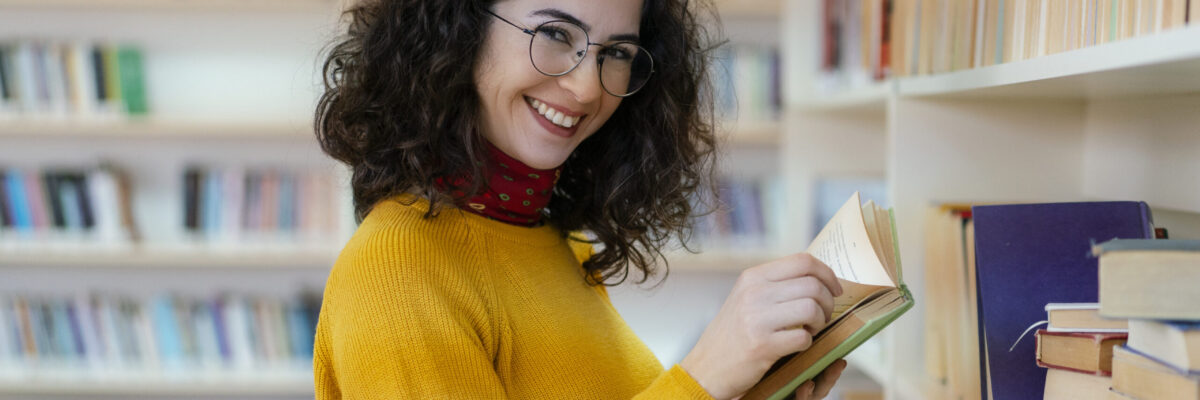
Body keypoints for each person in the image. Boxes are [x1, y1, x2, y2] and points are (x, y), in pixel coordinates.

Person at [311, 0, 847, 399]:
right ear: (459, 30)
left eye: (616, 52)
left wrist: (748, 387)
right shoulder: (396, 272)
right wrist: (704, 377)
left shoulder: (545, 235)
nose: (588, 87)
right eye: (554, 33)